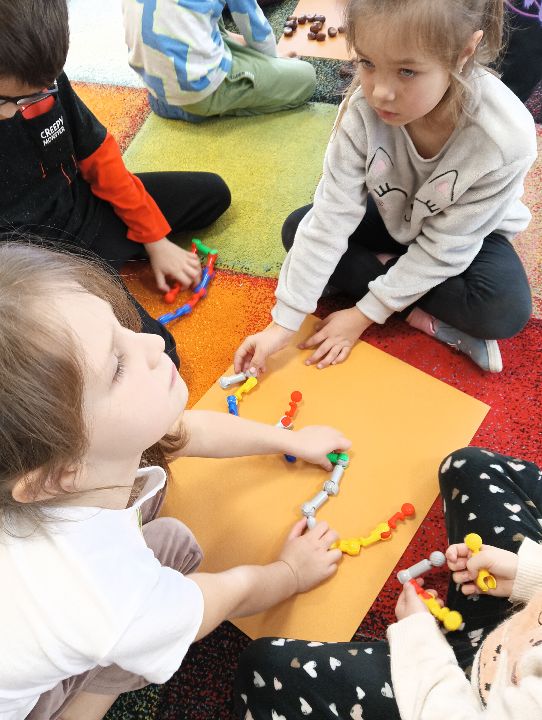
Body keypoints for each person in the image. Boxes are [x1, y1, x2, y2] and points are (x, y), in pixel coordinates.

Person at [0, 241, 350, 720]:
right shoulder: (105, 589)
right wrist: (290, 573)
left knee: (155, 476)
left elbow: (183, 433)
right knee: (173, 545)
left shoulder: (42, 462)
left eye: (123, 328)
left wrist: (290, 440)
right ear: (56, 476)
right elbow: (217, 600)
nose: (152, 343)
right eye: (117, 367)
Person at [233, 0, 537, 376]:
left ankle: (381, 274)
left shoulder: (503, 139)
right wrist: (283, 324)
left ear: (464, 52)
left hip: (466, 235)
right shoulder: (362, 109)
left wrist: (362, 315)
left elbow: (446, 249)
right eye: (367, 62)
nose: (380, 93)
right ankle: (411, 302)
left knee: (503, 310)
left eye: (407, 71)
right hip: (395, 212)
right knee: (298, 228)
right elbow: (330, 219)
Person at [0, 0, 231, 368]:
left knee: (213, 194)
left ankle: (127, 251)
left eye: (41, 92)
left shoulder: (41, 76)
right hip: (43, 262)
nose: (28, 108)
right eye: (11, 100)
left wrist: (155, 238)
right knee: (161, 358)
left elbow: (100, 159)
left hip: (88, 210)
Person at [235, 444, 542, 719]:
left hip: (464, 696)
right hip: (518, 624)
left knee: (262, 668)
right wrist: (527, 574)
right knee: (467, 465)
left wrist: (419, 636)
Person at [122, 0, 316, 123]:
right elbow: (259, 34)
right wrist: (276, 59)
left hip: (155, 82)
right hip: (196, 91)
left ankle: (178, 100)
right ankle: (200, 109)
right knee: (306, 77)